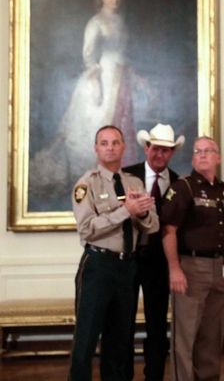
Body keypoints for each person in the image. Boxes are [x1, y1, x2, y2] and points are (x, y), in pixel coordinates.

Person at [31, 0, 140, 202]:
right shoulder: (96, 23)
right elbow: (89, 55)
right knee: (95, 125)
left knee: (121, 124)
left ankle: (117, 179)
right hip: (102, 76)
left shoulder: (120, 21)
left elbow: (122, 52)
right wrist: (97, 84)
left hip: (120, 76)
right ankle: (94, 179)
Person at [69, 125, 159, 381]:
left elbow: (153, 225)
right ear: (96, 148)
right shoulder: (86, 184)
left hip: (126, 267)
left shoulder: (134, 182)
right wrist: (125, 211)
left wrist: (140, 212)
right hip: (98, 265)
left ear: (124, 146)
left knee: (119, 341)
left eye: (115, 142)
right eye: (104, 143)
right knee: (86, 339)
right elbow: (87, 230)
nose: (110, 147)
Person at [161, 136, 224, 381]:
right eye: (198, 151)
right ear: (192, 158)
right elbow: (168, 230)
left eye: (208, 150)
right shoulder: (183, 187)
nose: (203, 155)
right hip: (190, 268)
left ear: (218, 157)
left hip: (217, 270)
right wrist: (174, 269)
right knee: (186, 336)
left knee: (212, 335)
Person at [123, 123, 184, 381]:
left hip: (159, 262)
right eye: (156, 149)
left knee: (157, 324)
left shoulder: (179, 182)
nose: (160, 155)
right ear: (147, 148)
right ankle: (122, 375)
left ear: (172, 153)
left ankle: (154, 376)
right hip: (127, 259)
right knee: (122, 322)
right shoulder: (126, 176)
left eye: (166, 151)